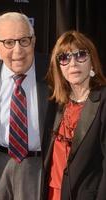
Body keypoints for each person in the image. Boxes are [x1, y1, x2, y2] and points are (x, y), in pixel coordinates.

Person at [0, 12, 50, 200]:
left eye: (24, 41)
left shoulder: (53, 71)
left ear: (33, 41)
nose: (18, 51)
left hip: (37, 165)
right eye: (8, 42)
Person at [43, 30, 106, 200]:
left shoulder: (103, 101)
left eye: (81, 55)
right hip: (52, 192)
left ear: (92, 62)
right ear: (59, 66)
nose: (73, 64)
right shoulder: (56, 103)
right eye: (64, 58)